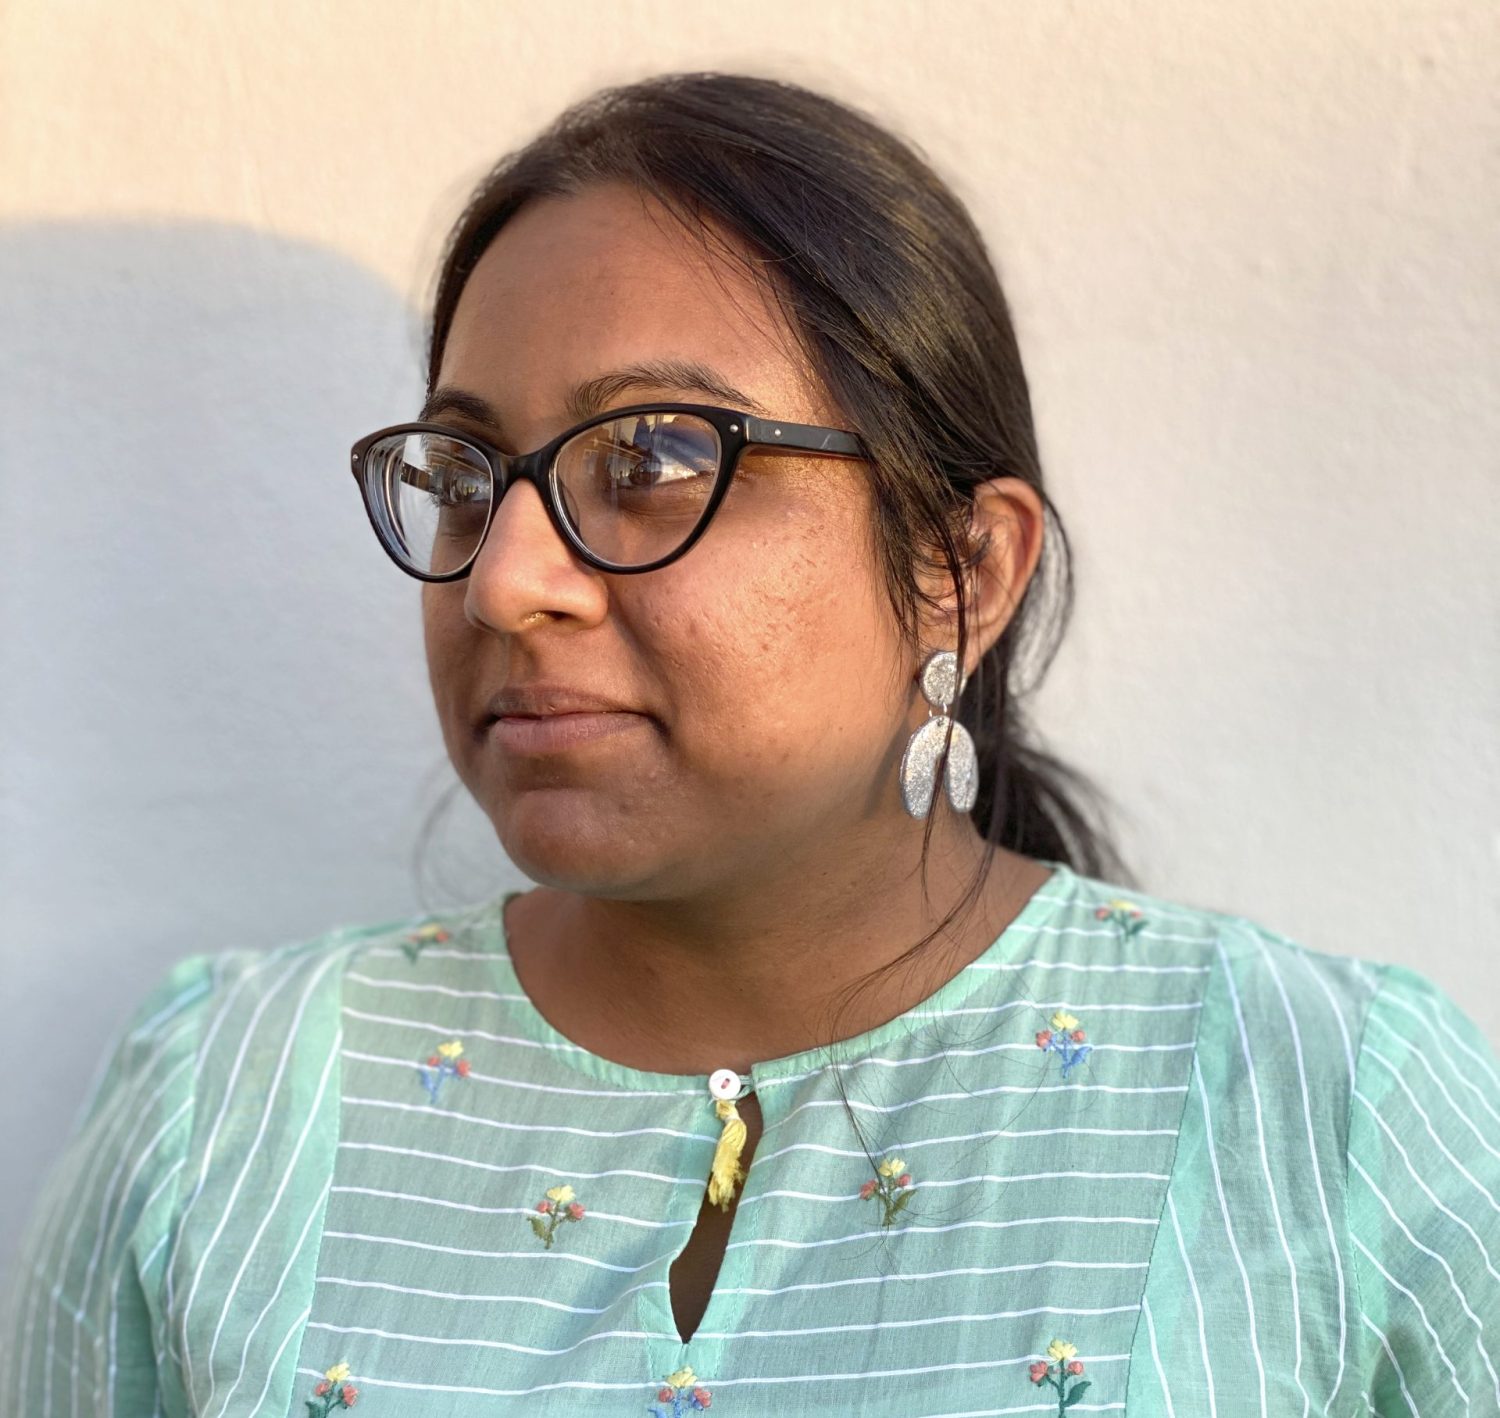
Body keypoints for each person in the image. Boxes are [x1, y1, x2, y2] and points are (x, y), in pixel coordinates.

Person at [4, 70, 1497, 1418]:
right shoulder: (230, 1104)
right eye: (466, 474)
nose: (509, 579)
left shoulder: (1331, 1110)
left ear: (962, 569)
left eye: (651, 456)